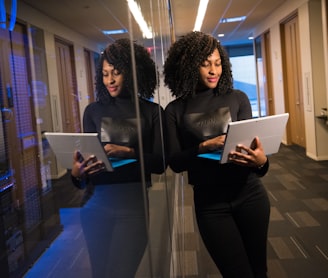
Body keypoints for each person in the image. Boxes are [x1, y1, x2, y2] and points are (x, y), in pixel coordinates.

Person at [163, 31, 270, 278]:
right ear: (189, 66)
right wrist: (202, 147)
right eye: (205, 64)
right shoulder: (175, 110)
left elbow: (256, 158)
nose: (214, 70)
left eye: (218, 63)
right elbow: (175, 163)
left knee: (259, 271)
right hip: (211, 205)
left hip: (251, 196)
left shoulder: (238, 98)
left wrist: (262, 161)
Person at [70, 38, 166, 277]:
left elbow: (161, 163)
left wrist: (130, 152)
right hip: (94, 205)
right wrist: (77, 174)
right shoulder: (93, 111)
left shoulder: (152, 112)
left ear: (133, 73)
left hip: (133, 207)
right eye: (105, 74)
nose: (110, 80)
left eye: (116, 73)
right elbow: (87, 169)